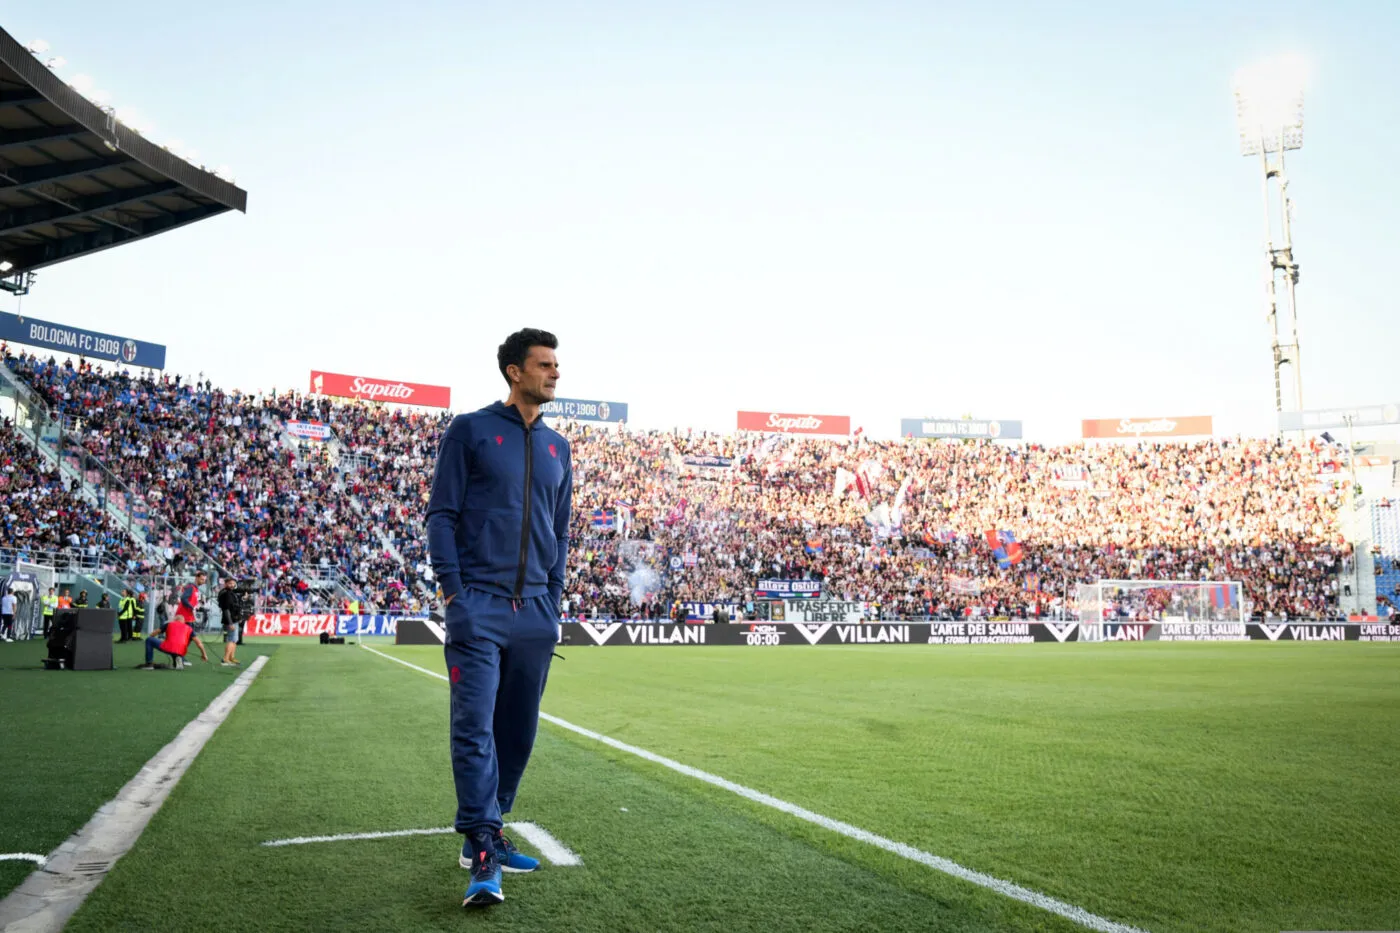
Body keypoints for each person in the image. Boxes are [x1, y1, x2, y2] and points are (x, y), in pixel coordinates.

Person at [426, 328, 571, 908]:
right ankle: (482, 844)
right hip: (478, 605)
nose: (555, 373)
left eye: (557, 364)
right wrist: (454, 594)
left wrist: (553, 600)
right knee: (474, 726)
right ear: (515, 371)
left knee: (518, 730)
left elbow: (559, 532)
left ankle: (495, 823)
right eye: (544, 364)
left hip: (536, 610)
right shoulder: (470, 431)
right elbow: (442, 515)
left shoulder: (560, 446)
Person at [175, 572, 210, 664]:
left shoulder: (195, 589)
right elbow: (183, 598)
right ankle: (179, 656)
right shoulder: (191, 587)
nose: (203, 581)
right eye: (202, 579)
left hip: (189, 617)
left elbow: (190, 601)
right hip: (183, 617)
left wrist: (198, 605)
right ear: (196, 578)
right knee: (188, 637)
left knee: (189, 637)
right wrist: (192, 607)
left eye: (204, 580)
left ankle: (180, 655)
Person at [217, 578, 241, 666]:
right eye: (230, 583)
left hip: (234, 619)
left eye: (233, 583)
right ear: (226, 584)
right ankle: (226, 658)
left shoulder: (230, 593)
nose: (232, 585)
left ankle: (231, 657)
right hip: (230, 620)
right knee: (232, 639)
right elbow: (226, 609)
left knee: (235, 640)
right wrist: (230, 622)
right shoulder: (226, 594)